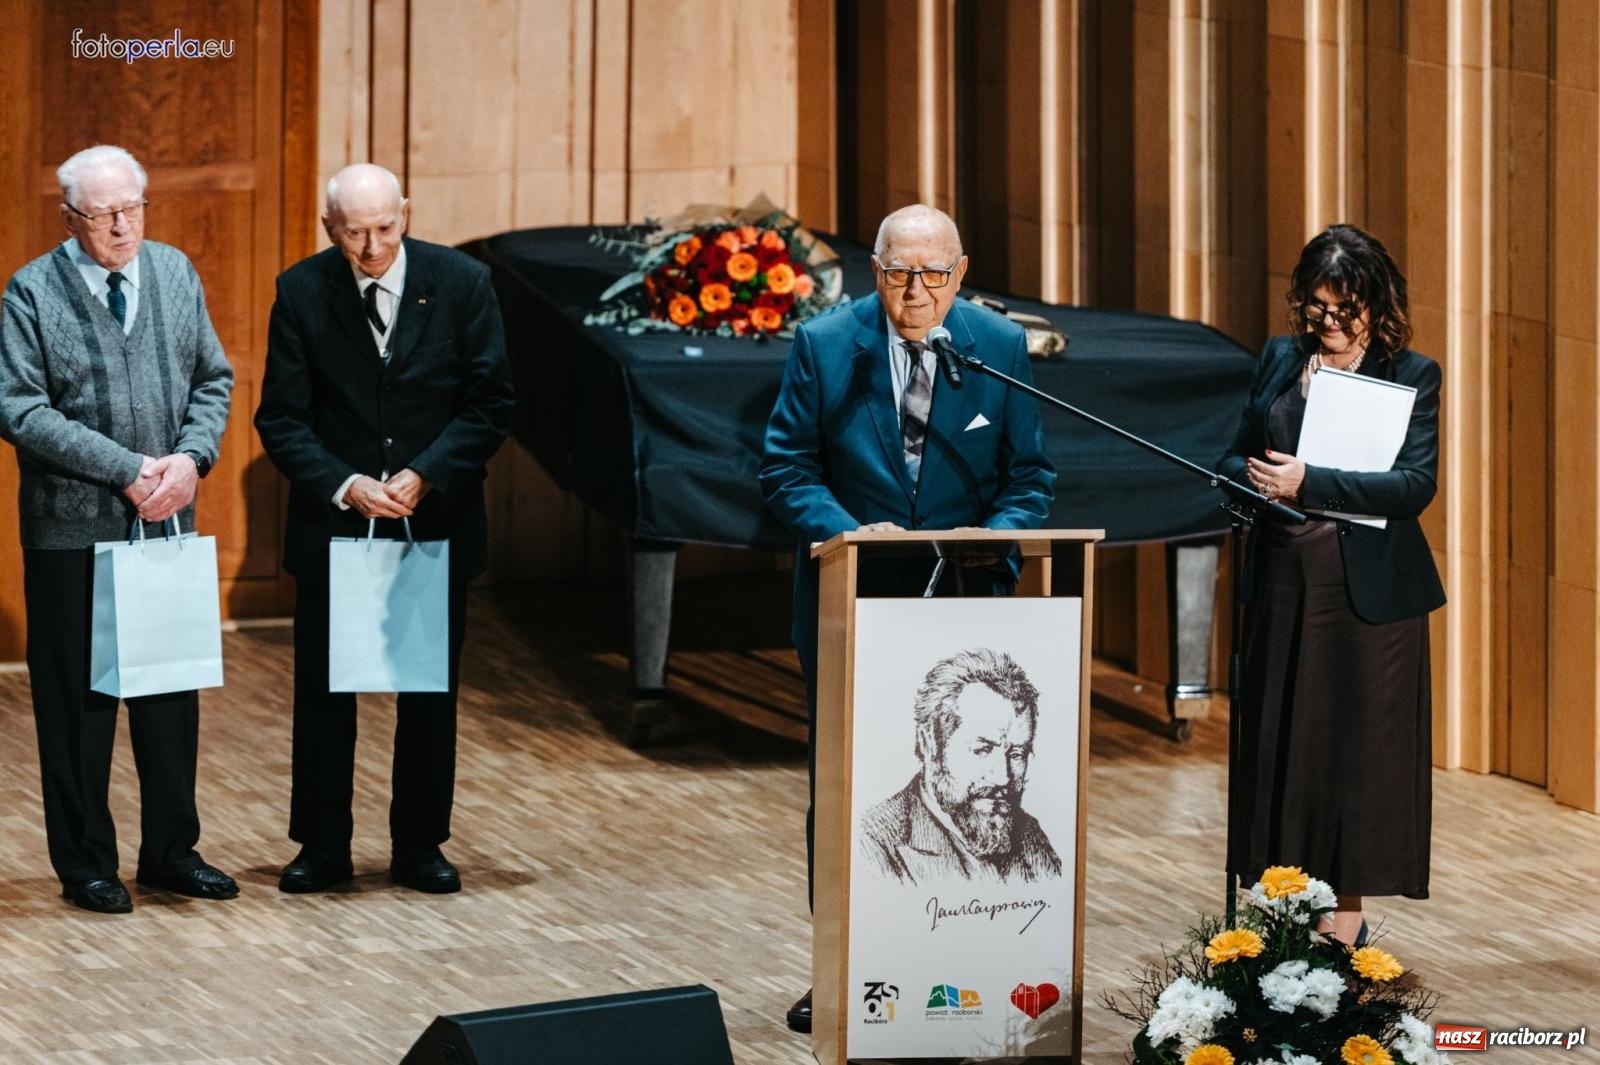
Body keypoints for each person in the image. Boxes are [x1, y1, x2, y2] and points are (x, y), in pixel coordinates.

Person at [759, 204, 1054, 1031]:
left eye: (932, 275)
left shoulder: (996, 346)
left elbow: (1029, 475)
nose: (915, 291)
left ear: (960, 275)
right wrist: (845, 528)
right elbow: (785, 466)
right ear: (874, 271)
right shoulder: (826, 345)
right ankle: (843, 965)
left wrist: (991, 536)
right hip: (855, 600)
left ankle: (954, 968)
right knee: (851, 788)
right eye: (898, 273)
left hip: (966, 611)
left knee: (970, 794)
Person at [255, 163, 514, 895]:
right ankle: (323, 844)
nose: (372, 247)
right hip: (338, 523)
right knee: (325, 695)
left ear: (405, 212)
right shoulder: (302, 291)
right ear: (328, 228)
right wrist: (345, 483)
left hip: (432, 521)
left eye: (385, 228)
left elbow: (491, 402)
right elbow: (281, 417)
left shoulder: (462, 282)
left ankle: (420, 843)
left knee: (428, 693)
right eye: (355, 233)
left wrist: (427, 472)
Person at [0, 144, 237, 913]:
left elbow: (213, 377)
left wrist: (192, 458)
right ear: (71, 218)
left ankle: (172, 851)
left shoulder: (173, 272)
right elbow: (19, 408)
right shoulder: (30, 291)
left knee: (169, 696)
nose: (121, 225)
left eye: (132, 207)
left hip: (164, 524)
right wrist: (126, 468)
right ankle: (86, 863)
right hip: (72, 533)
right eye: (103, 214)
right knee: (77, 706)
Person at [1218, 223, 1444, 947]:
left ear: (1377, 306)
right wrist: (1241, 479)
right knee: (1288, 740)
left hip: (1366, 599)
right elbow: (1239, 446)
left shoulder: (1412, 373)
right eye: (1316, 308)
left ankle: (1343, 917)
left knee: (1354, 754)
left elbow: (1414, 485)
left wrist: (1309, 481)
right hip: (1285, 582)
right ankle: (1286, 900)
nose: (1329, 325)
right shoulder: (1282, 358)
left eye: (1344, 310)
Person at [859, 648, 1060, 885]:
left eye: (1017, 753)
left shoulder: (1030, 837)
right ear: (929, 743)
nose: (1003, 777)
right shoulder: (874, 840)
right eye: (982, 750)